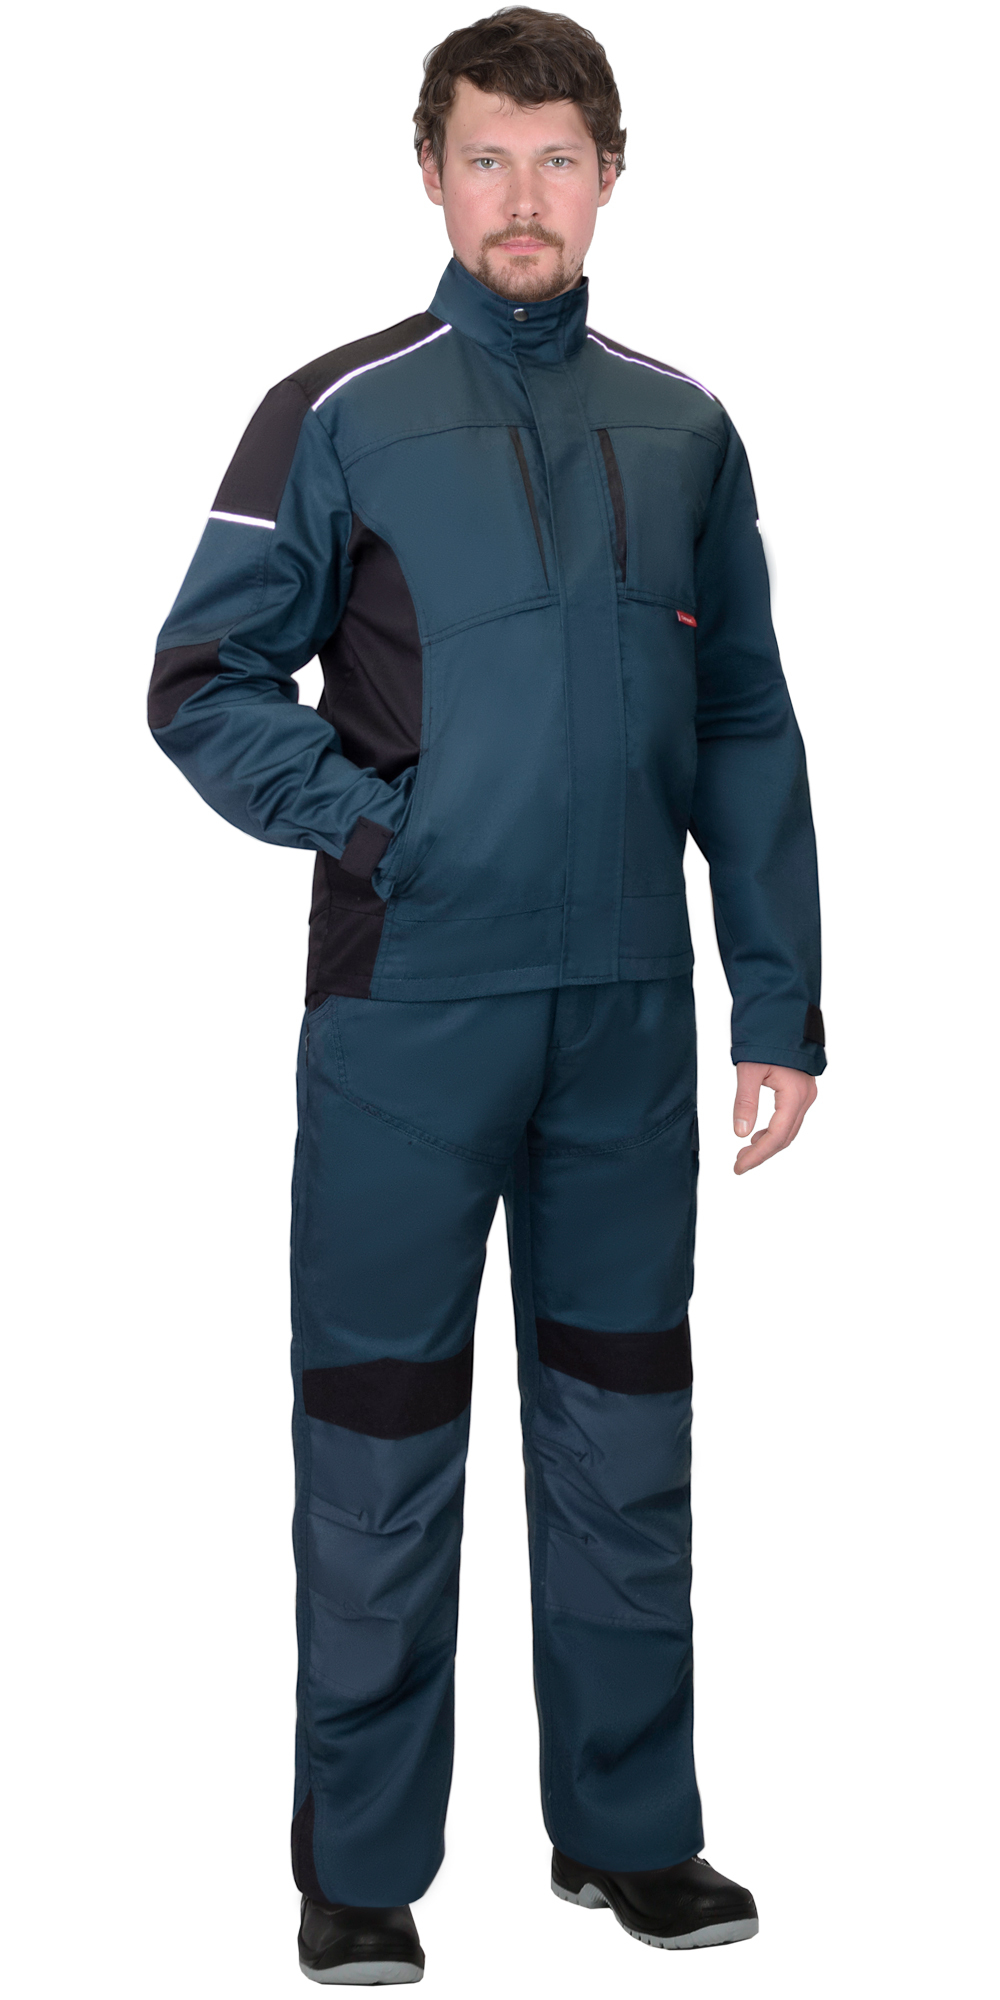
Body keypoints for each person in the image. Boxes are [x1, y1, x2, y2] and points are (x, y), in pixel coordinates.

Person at [148, 7, 824, 1981]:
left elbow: (743, 720)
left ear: (609, 174)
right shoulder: (336, 410)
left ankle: (628, 1834)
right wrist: (382, 828)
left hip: (623, 1013)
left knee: (626, 1427)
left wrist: (775, 1001)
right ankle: (360, 1865)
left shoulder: (684, 426)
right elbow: (200, 681)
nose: (520, 196)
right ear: (430, 176)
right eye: (483, 157)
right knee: (379, 1433)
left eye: (554, 157)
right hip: (408, 1013)